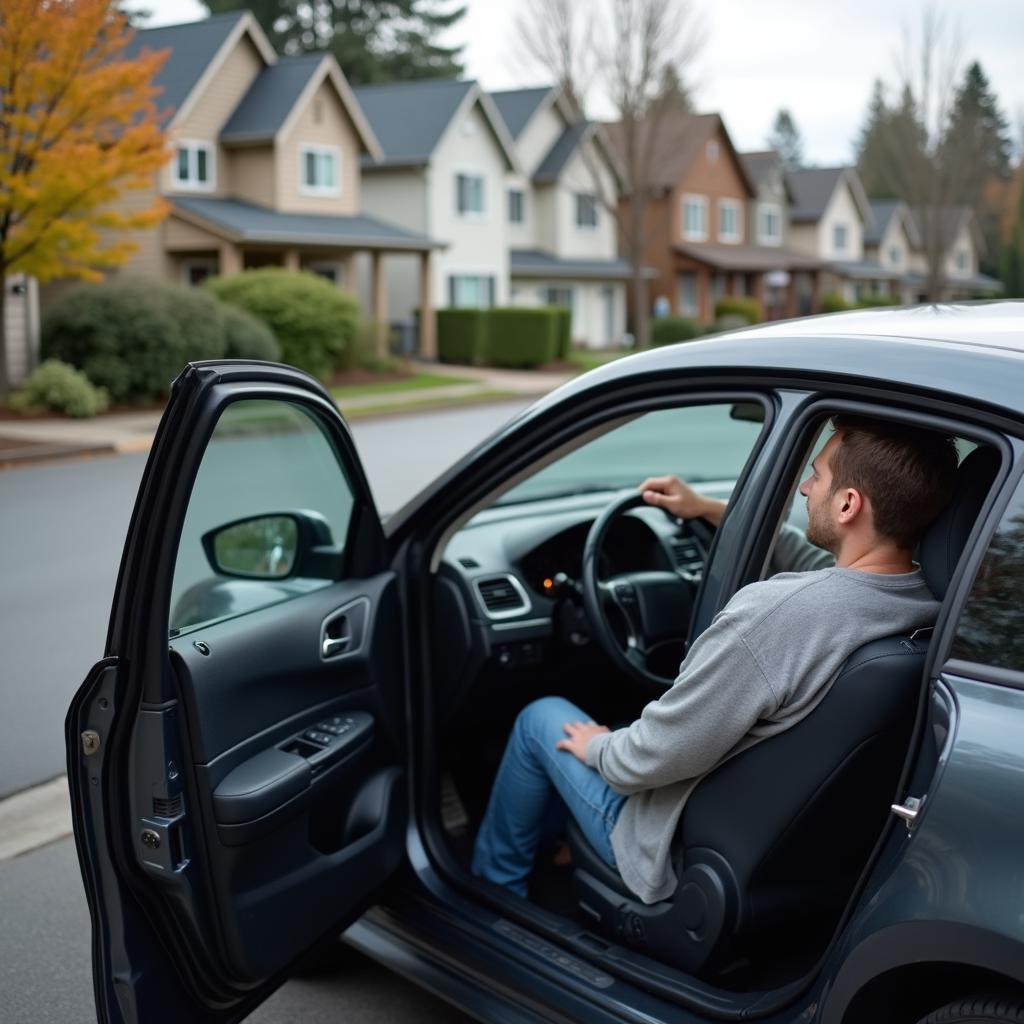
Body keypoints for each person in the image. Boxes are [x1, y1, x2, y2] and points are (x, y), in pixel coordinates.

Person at [471, 416, 959, 905]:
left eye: (817, 477)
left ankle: (492, 895)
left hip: (668, 851)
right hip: (789, 854)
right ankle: (555, 842)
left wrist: (598, 747)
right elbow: (823, 572)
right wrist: (705, 509)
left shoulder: (775, 616)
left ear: (849, 504)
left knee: (542, 720)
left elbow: (653, 755)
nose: (806, 489)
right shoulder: (929, 605)